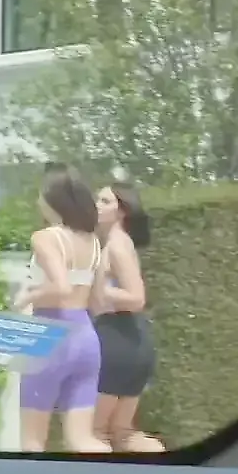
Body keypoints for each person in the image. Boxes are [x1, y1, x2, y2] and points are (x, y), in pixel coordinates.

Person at [9, 167, 108, 453]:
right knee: (82, 440)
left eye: (41, 195)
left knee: (32, 442)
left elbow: (60, 286)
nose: (38, 200)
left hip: (48, 337)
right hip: (86, 337)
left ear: (53, 200)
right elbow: (98, 300)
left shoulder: (45, 237)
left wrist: (27, 296)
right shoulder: (93, 241)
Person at [93, 181, 163, 452]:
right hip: (134, 341)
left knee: (95, 434)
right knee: (123, 434)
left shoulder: (117, 246)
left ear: (122, 211)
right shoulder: (120, 244)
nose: (97, 206)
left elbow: (136, 298)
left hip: (117, 341)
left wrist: (98, 290)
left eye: (105, 201)